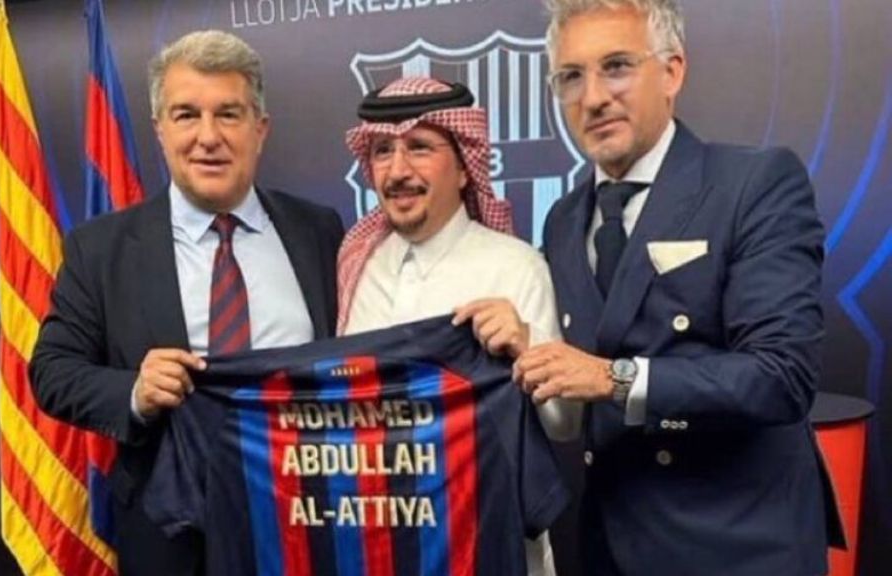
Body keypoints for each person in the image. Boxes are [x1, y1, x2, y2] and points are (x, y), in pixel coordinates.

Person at [513, 1, 844, 574]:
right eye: (571, 77)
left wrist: (614, 379)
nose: (592, 98)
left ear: (672, 72)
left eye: (616, 66)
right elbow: (574, 388)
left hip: (738, 547)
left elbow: (781, 376)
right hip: (608, 548)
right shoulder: (563, 218)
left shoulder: (754, 183)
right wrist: (523, 347)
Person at [29, 30, 344, 575]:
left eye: (228, 114)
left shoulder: (318, 230)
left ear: (259, 129)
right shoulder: (101, 249)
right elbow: (52, 372)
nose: (208, 136)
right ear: (159, 129)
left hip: (305, 518)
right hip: (167, 531)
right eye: (185, 115)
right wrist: (133, 390)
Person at [337, 76, 579, 576]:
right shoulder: (356, 262)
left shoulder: (513, 266)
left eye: (420, 148)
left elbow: (566, 423)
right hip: (380, 544)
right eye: (383, 151)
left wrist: (525, 346)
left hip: (488, 543)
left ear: (465, 168)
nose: (398, 171)